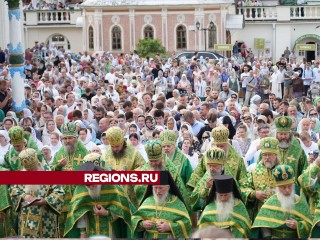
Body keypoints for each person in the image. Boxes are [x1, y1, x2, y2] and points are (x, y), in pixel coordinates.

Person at [64, 155, 132, 238]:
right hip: (89, 229)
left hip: (111, 228)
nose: (91, 187)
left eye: (93, 183)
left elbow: (122, 208)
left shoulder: (112, 185)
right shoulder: (81, 188)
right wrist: (82, 232)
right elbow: (79, 211)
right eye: (87, 185)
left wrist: (107, 213)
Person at [10, 148, 64, 238]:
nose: (31, 172)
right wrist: (24, 196)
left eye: (33, 169)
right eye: (28, 170)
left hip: (46, 218)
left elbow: (59, 192)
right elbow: (13, 190)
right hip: (25, 218)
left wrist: (45, 201)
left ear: (37, 164)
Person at [251, 165, 312, 238]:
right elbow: (263, 224)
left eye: (289, 186)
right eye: (283, 187)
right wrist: (268, 237)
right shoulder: (271, 202)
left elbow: (310, 225)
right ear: (277, 188)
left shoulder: (299, 201)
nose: (287, 190)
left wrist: (298, 226)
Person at [50, 122, 89, 236]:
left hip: (80, 195)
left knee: (80, 226)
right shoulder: (59, 153)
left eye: (70, 138)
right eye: (65, 138)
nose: (67, 141)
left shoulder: (85, 152)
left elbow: (91, 172)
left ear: (76, 138)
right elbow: (50, 170)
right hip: (63, 196)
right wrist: (58, 166)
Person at [132, 140, 190, 211]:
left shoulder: (171, 169)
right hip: (150, 206)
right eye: (151, 161)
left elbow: (180, 191)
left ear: (161, 158)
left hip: (169, 205)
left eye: (156, 161)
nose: (153, 164)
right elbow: (138, 190)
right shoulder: (145, 168)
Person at [132, 171, 192, 238]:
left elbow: (187, 224)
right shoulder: (147, 201)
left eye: (160, 188)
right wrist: (142, 224)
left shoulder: (177, 203)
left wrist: (170, 226)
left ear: (168, 188)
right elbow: (134, 219)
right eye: (155, 188)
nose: (158, 191)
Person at [187, 126, 246, 191]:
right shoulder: (207, 157)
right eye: (217, 146)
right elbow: (196, 176)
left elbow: (243, 182)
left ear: (227, 144)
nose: (219, 148)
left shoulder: (237, 159)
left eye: (222, 146)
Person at [240, 137, 280, 219]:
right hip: (260, 213)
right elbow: (243, 188)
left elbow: (291, 189)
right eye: (265, 155)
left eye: (270, 155)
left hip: (279, 212)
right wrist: (254, 194)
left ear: (276, 155)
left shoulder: (283, 170)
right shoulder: (255, 171)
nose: (267, 157)